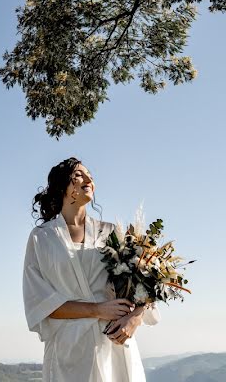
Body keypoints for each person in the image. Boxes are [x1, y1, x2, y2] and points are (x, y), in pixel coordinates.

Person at [23, 157, 161, 381]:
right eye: (79, 175)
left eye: (90, 176)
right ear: (62, 186)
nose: (88, 179)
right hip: (70, 349)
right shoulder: (42, 238)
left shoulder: (111, 232)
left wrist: (135, 318)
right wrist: (97, 309)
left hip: (115, 340)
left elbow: (145, 283)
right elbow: (40, 303)